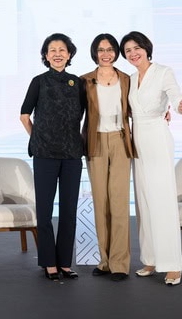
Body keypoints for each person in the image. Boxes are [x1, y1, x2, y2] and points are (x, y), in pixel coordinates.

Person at [120, 31, 182, 286]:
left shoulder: (163, 71)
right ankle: (150, 258)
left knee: (162, 200)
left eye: (136, 47)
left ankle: (172, 264)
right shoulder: (128, 79)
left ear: (146, 47)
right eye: (127, 50)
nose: (133, 53)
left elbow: (176, 99)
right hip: (137, 141)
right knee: (144, 201)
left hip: (158, 139)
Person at [20, 33, 86, 281]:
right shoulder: (38, 81)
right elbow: (25, 115)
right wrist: (37, 138)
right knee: (45, 211)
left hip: (71, 155)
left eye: (62, 49)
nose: (57, 53)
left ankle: (65, 263)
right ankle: (49, 263)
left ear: (69, 54)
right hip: (45, 154)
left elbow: (85, 117)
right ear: (46, 56)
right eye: (52, 50)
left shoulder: (77, 83)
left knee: (69, 211)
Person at [80, 34, 136, 282]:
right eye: (101, 49)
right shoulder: (84, 81)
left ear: (116, 53)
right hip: (95, 142)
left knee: (120, 203)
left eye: (110, 49)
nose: (106, 53)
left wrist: (166, 112)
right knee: (101, 202)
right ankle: (104, 261)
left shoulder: (126, 79)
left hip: (121, 141)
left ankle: (120, 264)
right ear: (95, 52)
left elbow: (139, 108)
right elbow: (74, 114)